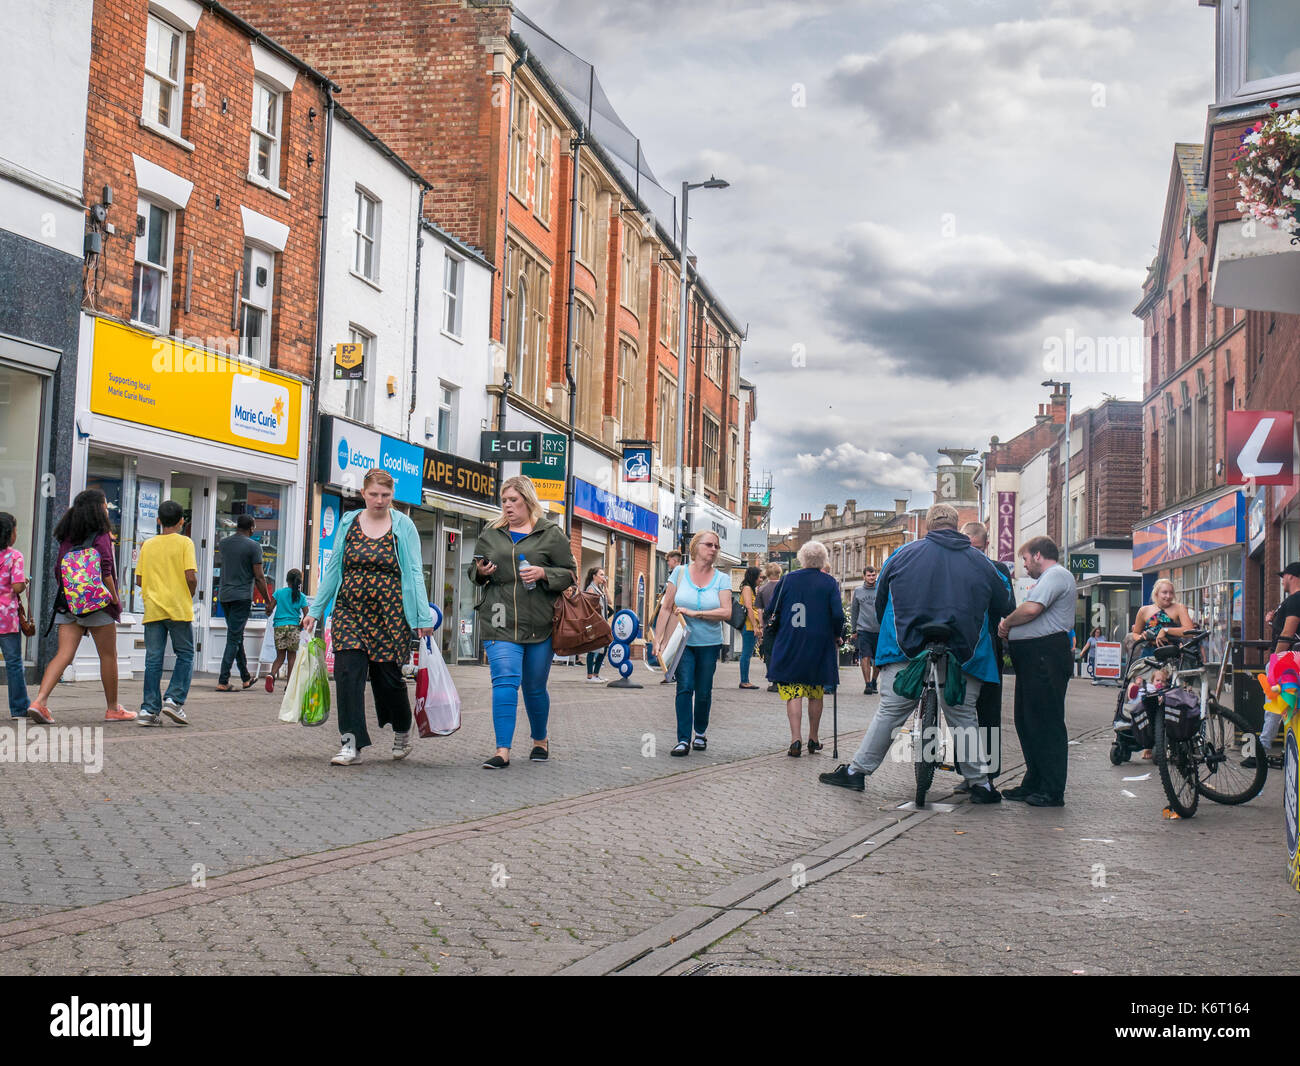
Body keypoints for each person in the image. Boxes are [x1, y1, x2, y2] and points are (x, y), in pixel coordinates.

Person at [819, 504, 1010, 802]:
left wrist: (891, 632)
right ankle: (981, 785)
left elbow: (881, 600)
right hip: (964, 652)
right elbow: (1004, 603)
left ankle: (857, 773)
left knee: (890, 712)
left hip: (905, 648)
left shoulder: (902, 554)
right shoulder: (981, 562)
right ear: (956, 525)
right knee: (963, 715)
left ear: (928, 527)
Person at [305, 469, 436, 766]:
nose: (379, 500)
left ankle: (402, 728)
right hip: (350, 610)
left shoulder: (403, 526)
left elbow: (415, 572)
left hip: (390, 615)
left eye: (386, 495)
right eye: (374, 494)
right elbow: (335, 568)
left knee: (387, 679)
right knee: (348, 673)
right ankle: (350, 743)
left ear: (393, 495)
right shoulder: (348, 522)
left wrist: (421, 616)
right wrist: (316, 609)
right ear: (363, 493)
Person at [471, 475, 575, 768]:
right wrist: (482, 571)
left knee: (534, 686)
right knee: (504, 681)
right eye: (504, 501)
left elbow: (569, 573)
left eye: (513, 500)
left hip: (540, 623)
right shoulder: (491, 533)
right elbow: (473, 572)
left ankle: (539, 740)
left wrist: (544, 573)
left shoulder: (550, 534)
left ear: (528, 501)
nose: (507, 506)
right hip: (500, 620)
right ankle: (502, 750)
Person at [28, 489, 135, 723]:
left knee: (64, 654)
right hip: (98, 604)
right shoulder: (101, 534)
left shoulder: (67, 535)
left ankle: (40, 701)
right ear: (99, 508)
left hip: (69, 603)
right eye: (105, 504)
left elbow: (59, 570)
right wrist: (114, 598)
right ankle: (113, 708)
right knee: (108, 655)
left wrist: (73, 594)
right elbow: (105, 568)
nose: (107, 508)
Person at [998, 536, 1077, 807]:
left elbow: (1032, 610)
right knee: (1026, 721)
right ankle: (1034, 781)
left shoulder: (1056, 575)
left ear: (1039, 555)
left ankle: (1052, 789)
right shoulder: (1047, 579)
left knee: (1046, 722)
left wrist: (1007, 624)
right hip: (1035, 657)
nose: (1025, 564)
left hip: (1046, 657)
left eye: (1026, 558)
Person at [654, 530, 732, 757]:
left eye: (716, 546)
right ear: (696, 547)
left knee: (704, 691)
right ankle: (683, 739)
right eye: (709, 544)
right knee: (685, 686)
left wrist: (696, 613)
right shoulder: (678, 573)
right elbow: (666, 608)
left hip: (709, 643)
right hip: (682, 643)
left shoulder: (722, 579)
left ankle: (700, 732)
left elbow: (726, 612)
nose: (713, 549)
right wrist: (658, 640)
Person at [766, 541, 843, 755]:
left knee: (794, 690)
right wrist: (838, 634)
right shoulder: (829, 582)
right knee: (816, 690)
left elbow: (772, 609)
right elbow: (838, 614)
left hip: (791, 640)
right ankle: (814, 738)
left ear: (801, 558)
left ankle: (795, 739)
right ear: (824, 560)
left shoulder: (787, 579)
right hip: (819, 642)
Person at [959, 521, 1014, 790]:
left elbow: (1009, 607)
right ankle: (967, 774)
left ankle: (988, 776)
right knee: (961, 713)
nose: (973, 554)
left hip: (989, 647)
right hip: (959, 647)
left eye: (977, 549)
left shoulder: (998, 568)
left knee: (989, 713)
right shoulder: (953, 567)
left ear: (986, 545)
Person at [134, 499, 196, 726]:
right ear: (181, 521)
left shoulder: (147, 545)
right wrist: (187, 593)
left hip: (153, 608)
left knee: (153, 659)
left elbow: (139, 579)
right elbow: (190, 576)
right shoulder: (185, 543)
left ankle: (148, 710)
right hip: (178, 607)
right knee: (186, 654)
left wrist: (155, 590)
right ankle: (174, 700)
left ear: (158, 520)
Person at [1250, 562, 1300, 768]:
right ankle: (1287, 751)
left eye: (1284, 576)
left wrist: (1275, 659)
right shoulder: (1291, 601)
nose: (1281, 580)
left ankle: (1261, 752)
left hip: (1287, 661)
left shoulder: (1296, 600)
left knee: (1276, 705)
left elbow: (1289, 631)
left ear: (1292, 576)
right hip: (1290, 659)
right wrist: (1272, 622)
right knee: (1289, 706)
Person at [215, 514, 272, 692]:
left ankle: (246, 677)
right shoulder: (253, 546)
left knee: (236, 635)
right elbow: (260, 577)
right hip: (241, 597)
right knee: (233, 637)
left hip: (224, 596)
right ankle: (223, 680)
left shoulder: (224, 544)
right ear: (252, 528)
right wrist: (268, 601)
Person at [0, 513, 30, 720]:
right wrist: (24, 582)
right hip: (6, 618)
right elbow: (17, 586)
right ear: (9, 533)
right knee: (13, 663)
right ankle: (19, 709)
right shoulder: (14, 556)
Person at [266, 568, 310, 692]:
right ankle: (289, 686)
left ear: (287, 580)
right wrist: (300, 627)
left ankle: (271, 675)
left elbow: (269, 609)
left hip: (279, 626)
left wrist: (267, 609)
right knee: (291, 657)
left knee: (279, 657)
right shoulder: (301, 596)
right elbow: (307, 614)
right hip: (293, 627)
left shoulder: (279, 593)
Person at [649, 551, 683, 683]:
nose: (668, 563)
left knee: (671, 644)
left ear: (675, 561)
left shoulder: (679, 574)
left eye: (669, 561)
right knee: (670, 644)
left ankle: (671, 673)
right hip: (670, 613)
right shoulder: (675, 574)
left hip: (674, 614)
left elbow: (671, 601)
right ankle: (670, 672)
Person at [850, 565, 881, 695]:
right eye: (869, 575)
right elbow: (854, 611)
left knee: (878, 659)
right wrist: (853, 630)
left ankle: (874, 680)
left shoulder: (881, 590)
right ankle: (867, 684)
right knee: (865, 656)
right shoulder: (858, 591)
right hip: (863, 629)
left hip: (879, 630)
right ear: (864, 576)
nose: (871, 577)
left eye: (873, 575)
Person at [756, 562, 784, 691]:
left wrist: (761, 626)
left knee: (769, 653)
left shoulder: (762, 589)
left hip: (769, 626)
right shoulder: (785, 587)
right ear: (779, 573)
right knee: (783, 651)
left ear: (767, 574)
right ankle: (783, 678)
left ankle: (774, 682)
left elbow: (760, 610)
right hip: (783, 625)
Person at [584, 566, 610, 682]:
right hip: (594, 623)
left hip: (602, 622)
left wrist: (605, 587)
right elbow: (588, 608)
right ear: (594, 576)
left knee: (604, 647)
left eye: (604, 575)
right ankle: (590, 676)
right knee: (593, 648)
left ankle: (596, 674)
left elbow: (610, 601)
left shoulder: (600, 589)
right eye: (601, 574)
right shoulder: (591, 589)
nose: (603, 577)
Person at [738, 565, 762, 689]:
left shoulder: (752, 589)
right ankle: (744, 681)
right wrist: (755, 626)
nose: (761, 580)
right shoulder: (747, 588)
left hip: (752, 625)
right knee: (746, 654)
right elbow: (749, 608)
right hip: (749, 626)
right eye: (759, 577)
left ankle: (745, 680)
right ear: (754, 577)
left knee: (747, 653)